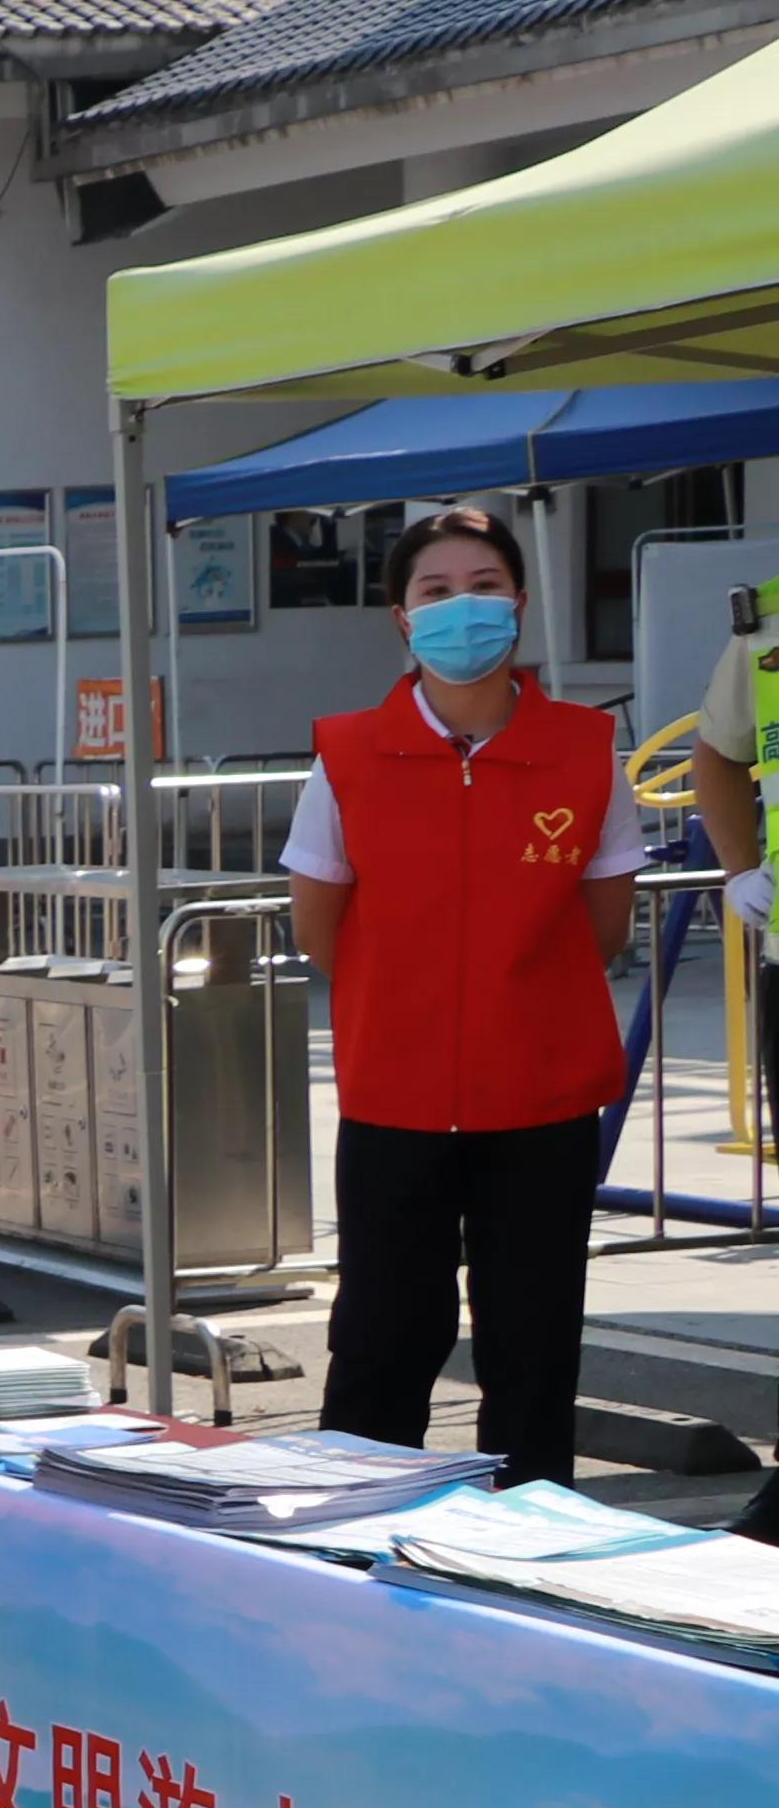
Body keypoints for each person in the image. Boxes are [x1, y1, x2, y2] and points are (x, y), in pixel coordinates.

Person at [286, 504, 639, 1487]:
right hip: (394, 1097)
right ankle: (348, 1534)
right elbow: (320, 928)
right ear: (402, 617)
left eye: (483, 586)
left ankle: (525, 1546)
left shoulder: (585, 751)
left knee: (533, 1348)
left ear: (519, 602)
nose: (462, 609)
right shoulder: (347, 754)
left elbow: (604, 927)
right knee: (381, 1340)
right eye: (435, 591)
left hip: (542, 1098)